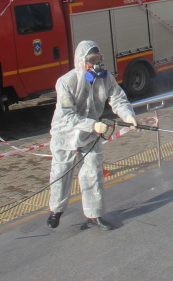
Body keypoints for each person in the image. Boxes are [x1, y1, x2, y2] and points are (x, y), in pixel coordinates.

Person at [46, 40, 138, 231]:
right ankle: (56, 210)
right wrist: (93, 124)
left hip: (90, 135)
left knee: (93, 173)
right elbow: (68, 114)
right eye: (91, 60)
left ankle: (94, 214)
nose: (96, 64)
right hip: (66, 134)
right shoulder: (66, 82)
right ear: (81, 61)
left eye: (98, 59)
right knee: (61, 174)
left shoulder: (106, 79)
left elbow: (117, 98)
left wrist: (128, 115)